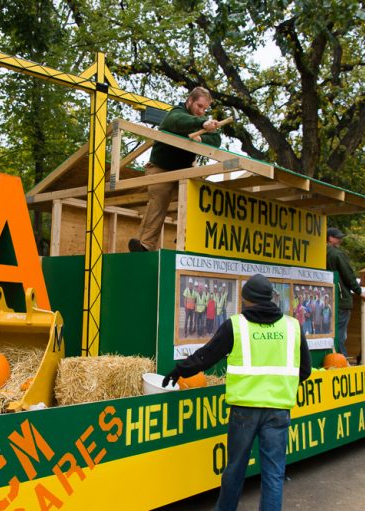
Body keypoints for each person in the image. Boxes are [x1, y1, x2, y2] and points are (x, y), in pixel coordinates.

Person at [163, 274, 311, 510]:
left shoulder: (236, 325)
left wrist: (180, 370)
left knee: (235, 470)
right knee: (273, 474)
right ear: (270, 298)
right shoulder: (292, 326)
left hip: (244, 411)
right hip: (278, 410)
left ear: (247, 300)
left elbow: (206, 356)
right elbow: (305, 371)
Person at [128, 87, 222, 252]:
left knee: (199, 198)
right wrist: (202, 124)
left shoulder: (200, 120)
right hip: (161, 169)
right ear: (190, 101)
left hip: (185, 172)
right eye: (199, 106)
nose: (201, 111)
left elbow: (216, 139)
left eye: (205, 109)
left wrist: (201, 138)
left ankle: (190, 245)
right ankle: (144, 245)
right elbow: (178, 122)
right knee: (159, 197)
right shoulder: (175, 114)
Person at [325, 227, 365, 357]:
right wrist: (359, 291)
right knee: (340, 334)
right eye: (338, 237)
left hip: (325, 300)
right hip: (340, 300)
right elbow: (348, 275)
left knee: (327, 332)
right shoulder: (337, 254)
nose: (340, 240)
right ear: (330, 238)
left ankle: (332, 357)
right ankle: (341, 359)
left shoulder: (318, 252)